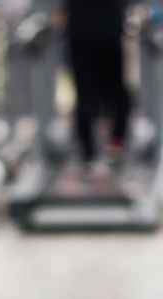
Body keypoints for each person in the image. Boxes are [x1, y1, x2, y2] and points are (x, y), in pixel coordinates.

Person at [61, 0, 130, 172]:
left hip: (88, 31)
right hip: (102, 30)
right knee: (110, 92)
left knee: (89, 94)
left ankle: (91, 152)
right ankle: (109, 145)